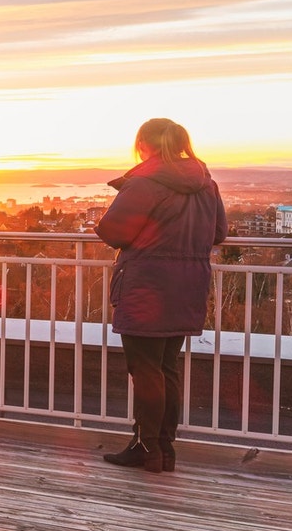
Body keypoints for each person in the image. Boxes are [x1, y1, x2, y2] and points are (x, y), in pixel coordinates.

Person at [96, 118, 227, 474]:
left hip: (146, 288)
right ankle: (164, 449)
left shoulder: (145, 183)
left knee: (146, 369)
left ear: (143, 145)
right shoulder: (206, 183)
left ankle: (146, 448)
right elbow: (219, 233)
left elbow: (113, 231)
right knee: (167, 368)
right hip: (188, 286)